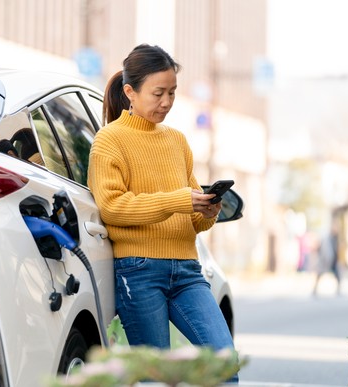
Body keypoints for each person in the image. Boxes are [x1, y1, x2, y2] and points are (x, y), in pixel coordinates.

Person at [87, 44, 238, 383]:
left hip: (186, 270)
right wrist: (179, 200)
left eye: (172, 92)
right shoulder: (109, 141)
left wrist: (207, 209)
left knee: (225, 367)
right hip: (138, 271)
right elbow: (113, 208)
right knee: (157, 380)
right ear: (130, 92)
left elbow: (192, 217)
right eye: (158, 93)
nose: (166, 102)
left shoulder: (178, 141)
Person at [313, 225, 341, 296]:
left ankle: (338, 290)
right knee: (319, 275)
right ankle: (314, 290)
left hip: (333, 261)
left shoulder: (335, 239)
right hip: (326, 260)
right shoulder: (327, 239)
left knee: (337, 276)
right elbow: (324, 251)